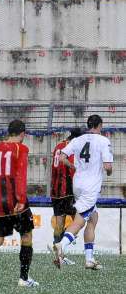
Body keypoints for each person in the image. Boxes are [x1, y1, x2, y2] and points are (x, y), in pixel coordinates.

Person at [0, 119, 38, 287]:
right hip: (16, 202)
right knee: (26, 237)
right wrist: (21, 199)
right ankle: (23, 279)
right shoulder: (21, 148)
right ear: (22, 133)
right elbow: (20, 176)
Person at [52, 115, 113, 270]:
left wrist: (73, 167)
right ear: (100, 125)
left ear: (88, 125)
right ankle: (62, 245)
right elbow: (107, 166)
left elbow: (61, 155)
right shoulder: (103, 140)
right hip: (90, 187)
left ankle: (89, 259)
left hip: (77, 184)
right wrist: (110, 170)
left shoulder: (77, 139)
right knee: (80, 221)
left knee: (93, 218)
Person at [49, 127, 82, 266]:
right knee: (79, 220)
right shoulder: (72, 147)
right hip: (67, 190)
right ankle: (66, 241)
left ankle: (59, 256)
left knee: (59, 224)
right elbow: (72, 167)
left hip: (55, 190)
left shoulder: (58, 145)